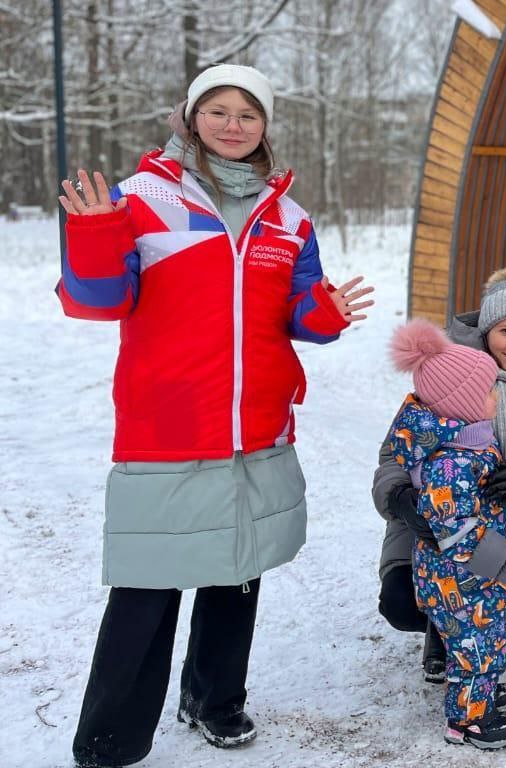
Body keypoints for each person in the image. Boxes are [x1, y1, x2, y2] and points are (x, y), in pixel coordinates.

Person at [56, 64, 374, 768]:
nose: (234, 126)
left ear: (265, 126)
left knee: (238, 569)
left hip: (256, 427)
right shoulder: (142, 198)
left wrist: (324, 314)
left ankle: (214, 698)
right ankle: (109, 739)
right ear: (191, 116)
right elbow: (99, 300)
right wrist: (92, 235)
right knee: (149, 584)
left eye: (248, 115)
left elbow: (300, 312)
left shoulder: (288, 216)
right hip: (168, 427)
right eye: (219, 111)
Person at [372, 267, 506, 679]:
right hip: (435, 518)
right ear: (486, 330)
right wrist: (402, 501)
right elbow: (394, 456)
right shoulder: (448, 378)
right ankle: (441, 629)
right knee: (402, 602)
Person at [385, 319, 506, 750]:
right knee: (474, 648)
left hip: (478, 577)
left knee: (490, 637)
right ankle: (468, 720)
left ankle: (483, 692)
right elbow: (457, 535)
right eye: (488, 391)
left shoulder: (470, 442)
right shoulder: (451, 464)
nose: (495, 397)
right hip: (461, 578)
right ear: (464, 403)